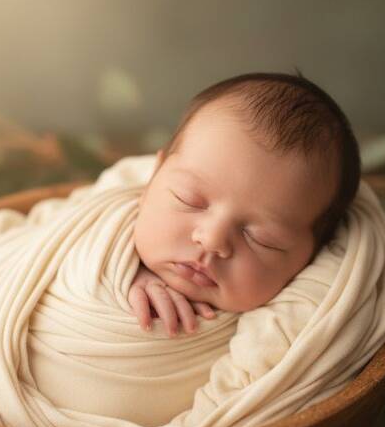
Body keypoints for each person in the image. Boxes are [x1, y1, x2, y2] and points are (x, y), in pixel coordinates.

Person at [128, 71, 361, 337]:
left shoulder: (286, 330)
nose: (212, 240)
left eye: (261, 239)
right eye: (188, 199)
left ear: (311, 259)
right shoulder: (102, 234)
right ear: (153, 178)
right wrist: (123, 274)